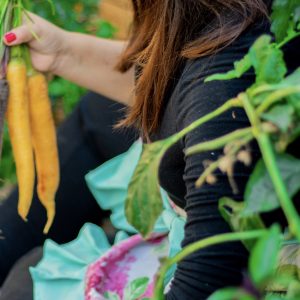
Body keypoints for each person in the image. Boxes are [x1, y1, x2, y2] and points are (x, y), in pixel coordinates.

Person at [0, 0, 299, 299]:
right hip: (202, 179)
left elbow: (209, 275)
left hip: (224, 253)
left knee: (25, 284)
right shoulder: (214, 19)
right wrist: (61, 52)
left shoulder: (222, 81)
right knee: (97, 114)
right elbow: (171, 77)